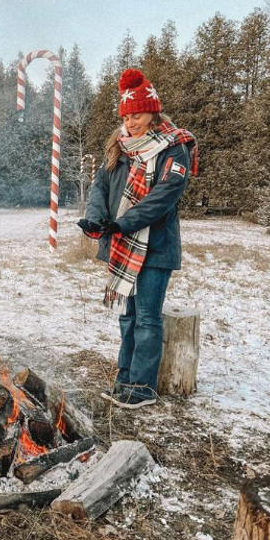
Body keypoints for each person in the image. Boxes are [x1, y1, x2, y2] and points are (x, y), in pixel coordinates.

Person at [78, 68, 196, 410]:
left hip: (155, 248)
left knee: (147, 318)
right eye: (127, 116)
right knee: (126, 316)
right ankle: (124, 378)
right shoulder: (120, 146)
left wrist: (122, 224)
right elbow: (101, 186)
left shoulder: (175, 150)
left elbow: (163, 199)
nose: (131, 123)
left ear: (153, 112)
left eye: (138, 115)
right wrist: (97, 219)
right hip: (122, 243)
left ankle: (142, 388)